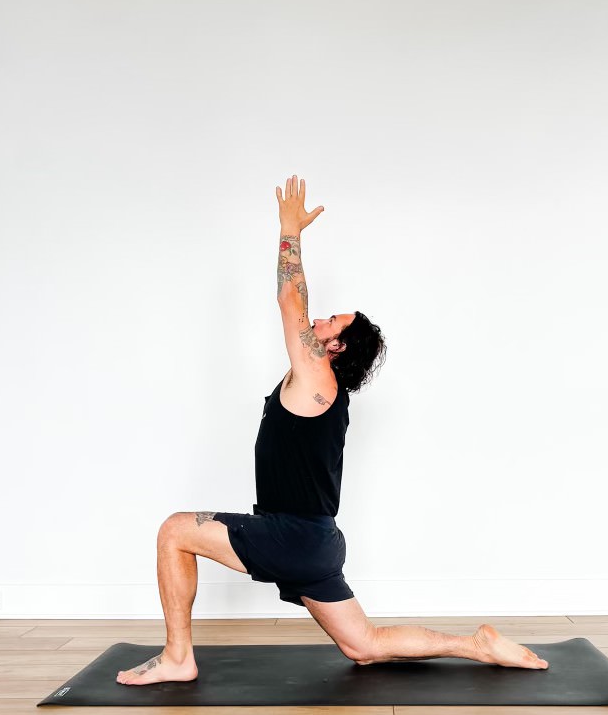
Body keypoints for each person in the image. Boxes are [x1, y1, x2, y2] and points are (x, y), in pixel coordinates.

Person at [117, 175, 549, 685]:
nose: (317, 322)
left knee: (175, 530)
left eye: (330, 323)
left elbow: (289, 300)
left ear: (337, 348)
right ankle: (474, 645)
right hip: (315, 539)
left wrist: (289, 231)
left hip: (295, 535)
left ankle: (177, 659)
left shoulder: (316, 376)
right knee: (363, 646)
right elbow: (297, 313)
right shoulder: (320, 388)